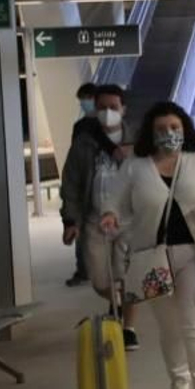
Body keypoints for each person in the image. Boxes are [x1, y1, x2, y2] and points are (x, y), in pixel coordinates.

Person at [100, 102, 195, 389]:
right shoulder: (135, 167)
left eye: (174, 127)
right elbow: (112, 201)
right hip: (151, 258)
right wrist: (110, 215)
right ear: (150, 133)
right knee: (169, 327)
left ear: (184, 129)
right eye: (161, 129)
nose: (169, 133)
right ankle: (179, 380)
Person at [63, 85, 142, 348]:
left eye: (113, 107)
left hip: (130, 221)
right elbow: (71, 183)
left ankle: (128, 328)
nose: (108, 112)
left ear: (124, 109)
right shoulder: (84, 142)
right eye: (102, 107)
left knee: (128, 275)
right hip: (95, 220)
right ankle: (116, 301)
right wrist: (70, 220)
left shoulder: (139, 140)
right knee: (98, 279)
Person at [60, 82, 102, 285]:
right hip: (86, 182)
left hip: (105, 187)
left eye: (88, 98)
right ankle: (83, 270)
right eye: (82, 100)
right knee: (82, 229)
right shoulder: (80, 127)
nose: (85, 103)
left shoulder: (112, 127)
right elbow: (74, 162)